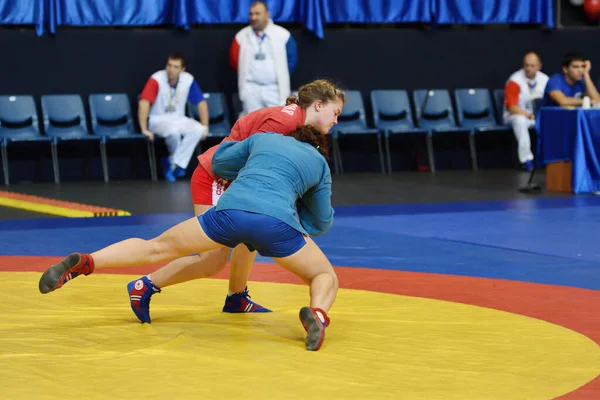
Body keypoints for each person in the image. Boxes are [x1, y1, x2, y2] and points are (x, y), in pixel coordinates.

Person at [39, 128, 338, 351]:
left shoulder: (264, 138)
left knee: (156, 246)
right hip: (277, 225)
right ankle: (317, 314)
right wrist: (295, 218)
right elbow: (322, 220)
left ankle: (89, 261)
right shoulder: (320, 164)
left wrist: (252, 171)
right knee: (323, 274)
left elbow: (220, 162)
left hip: (229, 212)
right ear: (320, 145)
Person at [121, 79, 344, 324]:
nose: (336, 121)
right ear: (319, 105)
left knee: (248, 235)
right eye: (335, 113)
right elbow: (254, 158)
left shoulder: (293, 120)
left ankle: (236, 296)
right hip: (219, 175)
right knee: (212, 260)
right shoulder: (287, 122)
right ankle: (146, 284)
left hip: (234, 176)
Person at [138, 52, 209, 182]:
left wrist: (205, 126)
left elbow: (201, 103)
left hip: (178, 118)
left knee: (199, 129)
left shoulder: (188, 79)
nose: (171, 70)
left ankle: (171, 163)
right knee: (173, 132)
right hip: (158, 119)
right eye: (169, 65)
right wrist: (144, 129)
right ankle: (177, 165)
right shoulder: (156, 79)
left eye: (176, 67)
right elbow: (144, 103)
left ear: (182, 69)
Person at [229, 1, 298, 115]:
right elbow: (234, 61)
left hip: (275, 89)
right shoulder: (241, 36)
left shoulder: (283, 35)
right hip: (251, 89)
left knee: (278, 123)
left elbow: (291, 61)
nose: (253, 17)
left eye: (257, 14)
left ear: (267, 14)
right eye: (251, 14)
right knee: (252, 126)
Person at [503, 51, 549, 171]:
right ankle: (526, 160)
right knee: (520, 121)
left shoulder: (545, 80)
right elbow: (512, 107)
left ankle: (551, 159)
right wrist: (528, 115)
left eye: (532, 65)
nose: (528, 68)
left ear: (539, 66)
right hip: (516, 115)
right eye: (526, 65)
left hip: (537, 116)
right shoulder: (514, 80)